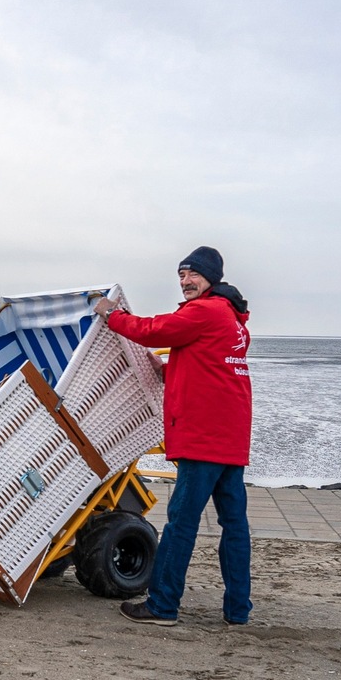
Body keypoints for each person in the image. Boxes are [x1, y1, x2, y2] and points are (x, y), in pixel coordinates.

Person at [95, 246, 252, 626]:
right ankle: (238, 611)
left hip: (204, 438)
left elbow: (152, 330)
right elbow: (207, 367)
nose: (185, 282)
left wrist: (112, 315)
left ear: (211, 277)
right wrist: (167, 370)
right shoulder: (233, 320)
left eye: (192, 275)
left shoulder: (205, 311)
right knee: (235, 526)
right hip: (230, 438)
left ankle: (162, 606)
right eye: (181, 275)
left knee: (182, 522)